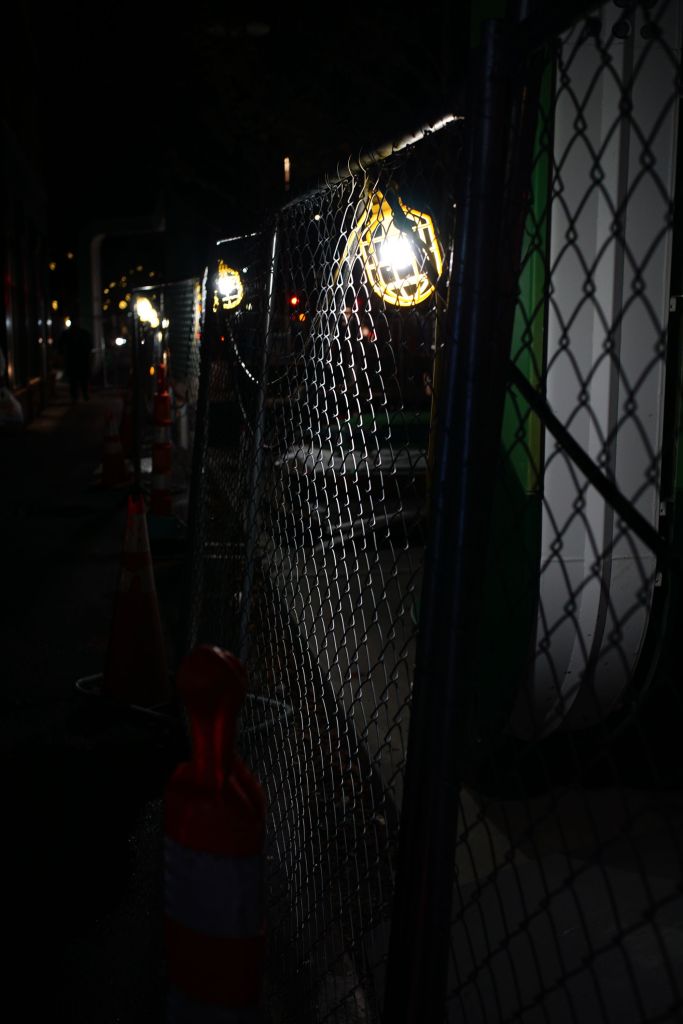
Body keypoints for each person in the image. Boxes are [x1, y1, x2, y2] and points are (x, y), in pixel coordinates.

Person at [58, 317, 93, 402]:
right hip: (74, 360)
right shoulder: (69, 334)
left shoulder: (82, 333)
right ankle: (77, 396)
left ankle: (82, 394)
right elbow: (60, 346)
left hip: (80, 360)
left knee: (81, 379)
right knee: (75, 380)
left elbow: (89, 345)